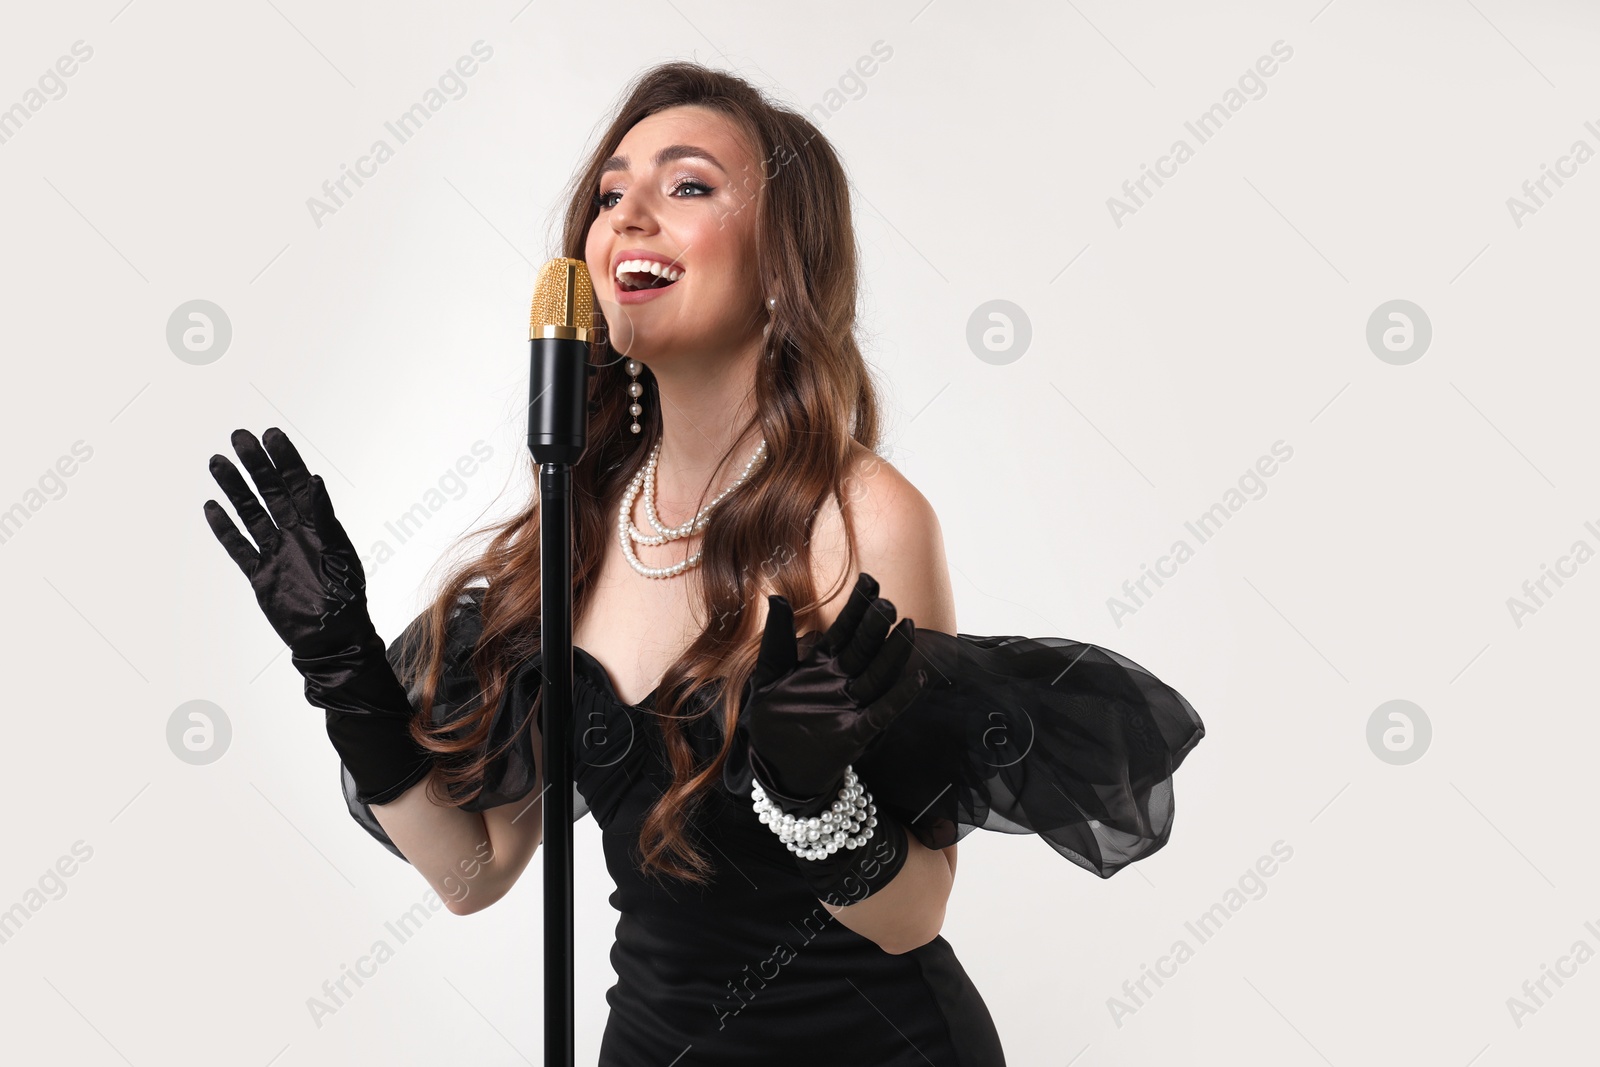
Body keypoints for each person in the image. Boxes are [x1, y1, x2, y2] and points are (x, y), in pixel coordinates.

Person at [202, 61, 1204, 1067]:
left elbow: (912, 912)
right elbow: (473, 871)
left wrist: (812, 797)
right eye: (609, 192)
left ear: (779, 263)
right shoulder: (578, 525)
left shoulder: (859, 519)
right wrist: (342, 668)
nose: (628, 213)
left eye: (686, 186)